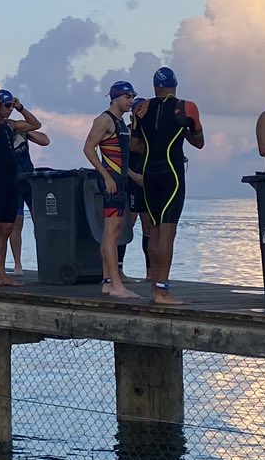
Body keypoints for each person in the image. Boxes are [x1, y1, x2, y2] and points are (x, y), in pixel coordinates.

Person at [133, 66, 203, 298]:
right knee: (167, 232)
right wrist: (184, 131)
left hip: (148, 172)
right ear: (175, 85)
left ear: (155, 87)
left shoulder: (141, 109)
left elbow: (134, 146)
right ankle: (163, 291)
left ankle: (154, 285)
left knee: (153, 230)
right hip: (172, 172)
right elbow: (199, 142)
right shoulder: (186, 106)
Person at [83, 81, 156, 301]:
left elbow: (123, 157)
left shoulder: (121, 122)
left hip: (121, 180)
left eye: (132, 97)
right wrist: (106, 177)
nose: (131, 101)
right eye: (127, 97)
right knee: (111, 232)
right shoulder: (104, 120)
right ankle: (116, 284)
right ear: (115, 97)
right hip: (111, 182)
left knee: (113, 233)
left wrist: (133, 176)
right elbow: (88, 148)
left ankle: (108, 282)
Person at [0, 91, 43, 289]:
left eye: (11, 106)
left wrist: (21, 108)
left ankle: (1, 273)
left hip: (12, 180)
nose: (10, 109)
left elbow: (35, 125)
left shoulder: (11, 125)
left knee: (6, 228)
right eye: (7, 106)